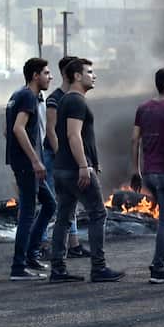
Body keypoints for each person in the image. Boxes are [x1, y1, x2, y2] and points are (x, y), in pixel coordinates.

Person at [50, 59, 123, 283]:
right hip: (75, 169)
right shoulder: (75, 102)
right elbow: (74, 135)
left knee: (63, 218)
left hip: (62, 168)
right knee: (98, 213)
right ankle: (98, 268)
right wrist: (84, 165)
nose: (94, 76)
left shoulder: (67, 100)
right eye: (89, 72)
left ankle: (58, 269)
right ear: (77, 76)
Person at [4, 58, 55, 281]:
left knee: (50, 203)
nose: (49, 77)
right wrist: (35, 160)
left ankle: (31, 255)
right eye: (46, 73)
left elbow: (7, 131)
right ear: (35, 76)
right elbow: (17, 129)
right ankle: (18, 266)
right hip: (27, 164)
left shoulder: (17, 95)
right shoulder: (27, 96)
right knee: (27, 212)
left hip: (23, 161)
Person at [131, 67, 164, 284]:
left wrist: (136, 170)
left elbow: (135, 140)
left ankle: (162, 265)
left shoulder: (143, 108)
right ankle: (158, 267)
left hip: (149, 173)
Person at [45, 56, 87, 258]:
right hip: (56, 156)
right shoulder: (56, 97)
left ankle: (74, 245)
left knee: (70, 203)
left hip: (67, 157)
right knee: (55, 203)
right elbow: (51, 131)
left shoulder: (75, 96)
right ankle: (45, 245)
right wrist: (62, 155)